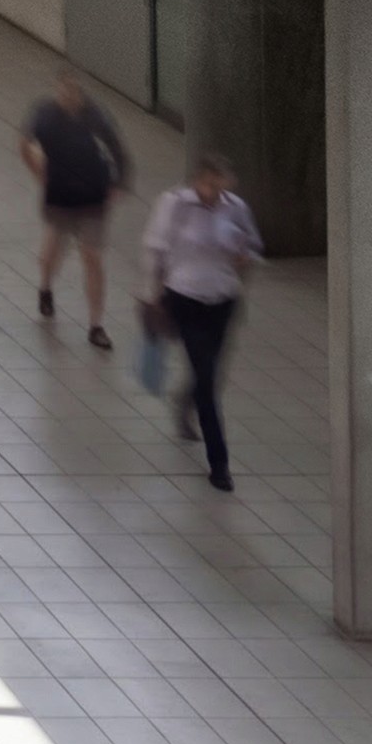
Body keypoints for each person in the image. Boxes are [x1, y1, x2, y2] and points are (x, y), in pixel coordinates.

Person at [141, 152, 264, 491]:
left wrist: (244, 256)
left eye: (221, 185)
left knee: (212, 371)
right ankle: (219, 462)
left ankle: (186, 400)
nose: (214, 191)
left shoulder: (235, 207)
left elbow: (253, 245)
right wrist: (153, 293)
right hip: (184, 298)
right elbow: (155, 248)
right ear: (198, 180)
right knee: (208, 379)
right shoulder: (174, 204)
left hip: (223, 299)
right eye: (210, 183)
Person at [23, 67, 130, 345]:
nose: (70, 98)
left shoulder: (96, 114)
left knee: (91, 256)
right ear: (57, 92)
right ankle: (45, 287)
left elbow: (117, 148)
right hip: (60, 195)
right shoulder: (45, 114)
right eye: (64, 92)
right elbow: (24, 143)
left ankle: (96, 325)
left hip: (93, 196)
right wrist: (39, 173)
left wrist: (119, 182)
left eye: (74, 93)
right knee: (54, 250)